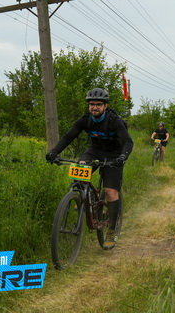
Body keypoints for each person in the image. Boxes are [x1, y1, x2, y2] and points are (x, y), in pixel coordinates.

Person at [45, 88, 133, 250]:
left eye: (98, 104)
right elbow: (68, 137)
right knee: (80, 170)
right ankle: (83, 200)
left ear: (105, 106)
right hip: (95, 151)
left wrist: (123, 157)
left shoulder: (114, 121)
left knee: (110, 191)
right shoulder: (86, 120)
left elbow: (128, 141)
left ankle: (111, 231)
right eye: (92, 104)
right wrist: (54, 152)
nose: (94, 107)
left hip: (114, 155)